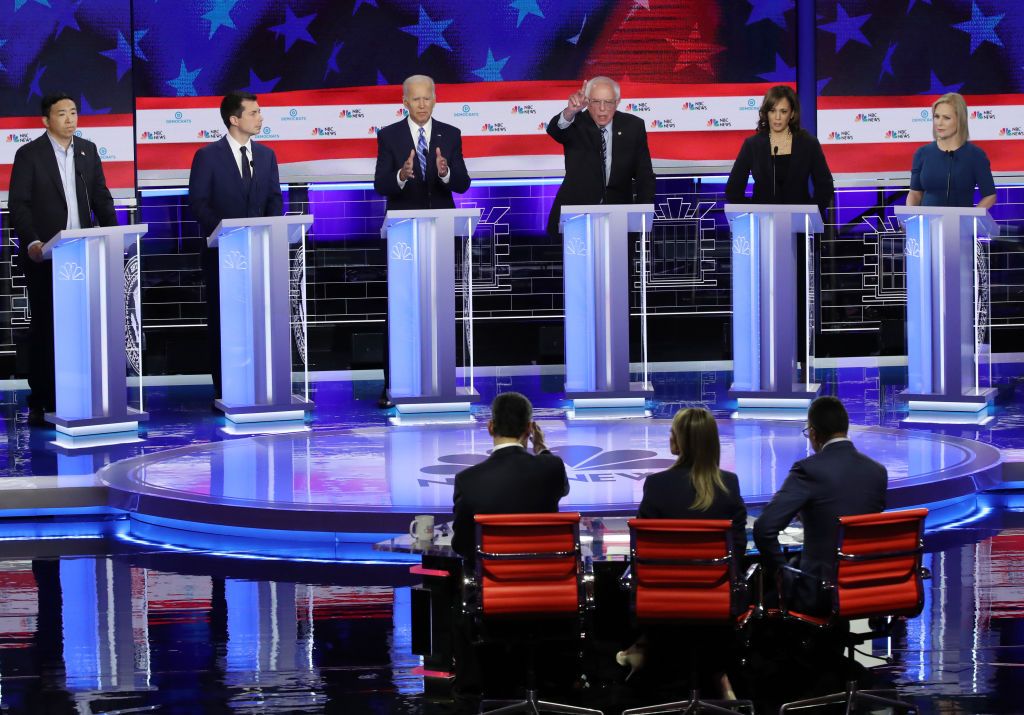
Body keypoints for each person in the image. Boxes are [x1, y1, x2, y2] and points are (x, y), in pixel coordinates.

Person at [619, 407, 747, 696]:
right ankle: (718, 672)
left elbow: (641, 551)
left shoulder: (657, 485)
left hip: (666, 598)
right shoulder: (729, 484)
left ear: (678, 441)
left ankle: (643, 651)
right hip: (717, 599)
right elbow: (737, 549)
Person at [8, 93, 118, 427]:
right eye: (62, 114)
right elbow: (19, 205)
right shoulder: (29, 155)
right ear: (46, 120)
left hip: (83, 253)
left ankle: (82, 392)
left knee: (83, 327)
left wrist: (113, 235)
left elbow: (100, 196)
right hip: (46, 255)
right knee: (46, 328)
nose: (70, 119)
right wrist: (33, 242)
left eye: (73, 113)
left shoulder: (88, 151)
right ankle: (41, 399)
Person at [373, 75, 471, 408]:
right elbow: (380, 184)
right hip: (402, 235)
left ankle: (440, 380)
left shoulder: (451, 135)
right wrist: (401, 174)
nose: (421, 105)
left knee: (440, 307)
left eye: (427, 99)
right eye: (415, 99)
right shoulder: (389, 136)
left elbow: (463, 184)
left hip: (440, 233)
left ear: (435, 99)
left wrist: (445, 172)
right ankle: (394, 385)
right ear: (404, 101)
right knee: (400, 309)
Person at [188, 91, 283, 402]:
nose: (260, 118)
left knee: (259, 318)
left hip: (259, 255)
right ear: (234, 119)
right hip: (222, 255)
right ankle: (225, 386)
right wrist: (227, 236)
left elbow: (274, 200)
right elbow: (199, 203)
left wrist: (266, 234)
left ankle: (260, 382)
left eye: (260, 112)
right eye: (253, 113)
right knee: (223, 320)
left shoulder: (267, 155)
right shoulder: (207, 156)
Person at [753, 396, 887, 615]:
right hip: (864, 585)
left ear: (813, 434)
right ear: (845, 428)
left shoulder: (808, 470)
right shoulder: (877, 472)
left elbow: (764, 529)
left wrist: (782, 572)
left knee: (761, 595)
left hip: (818, 589)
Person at [451, 391, 569, 564]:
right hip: (544, 576)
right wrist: (542, 448)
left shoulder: (467, 480)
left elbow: (461, 545)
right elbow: (563, 487)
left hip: (493, 583)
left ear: (490, 427)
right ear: (529, 428)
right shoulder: (552, 467)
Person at [545, 76, 656, 237]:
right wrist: (570, 112)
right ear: (588, 103)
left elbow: (644, 174)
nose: (602, 108)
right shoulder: (576, 123)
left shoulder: (633, 126)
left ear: (617, 102)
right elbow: (555, 131)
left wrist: (643, 213)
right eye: (596, 102)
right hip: (577, 216)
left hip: (620, 217)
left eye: (608, 102)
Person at [725, 85, 834, 218]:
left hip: (800, 226)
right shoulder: (753, 145)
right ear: (766, 113)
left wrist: (808, 214)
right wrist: (754, 212)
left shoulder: (808, 143)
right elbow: (732, 191)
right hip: (763, 226)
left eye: (783, 111)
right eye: (772, 111)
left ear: (792, 113)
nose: (777, 117)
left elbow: (825, 187)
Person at [907, 92, 996, 209]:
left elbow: (990, 196)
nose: (939, 123)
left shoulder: (976, 155)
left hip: (961, 225)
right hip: (927, 224)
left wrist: (970, 219)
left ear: (960, 121)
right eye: (937, 116)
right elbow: (915, 193)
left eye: (946, 118)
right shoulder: (922, 153)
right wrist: (910, 220)